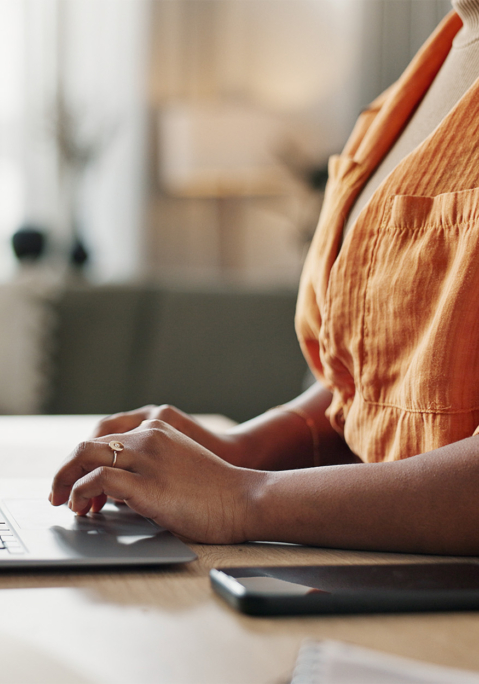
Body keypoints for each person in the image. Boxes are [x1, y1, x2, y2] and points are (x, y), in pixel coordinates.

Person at [49, 1, 479, 556]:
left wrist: (244, 496)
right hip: (378, 586)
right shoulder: (440, 60)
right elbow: (383, 383)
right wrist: (243, 449)